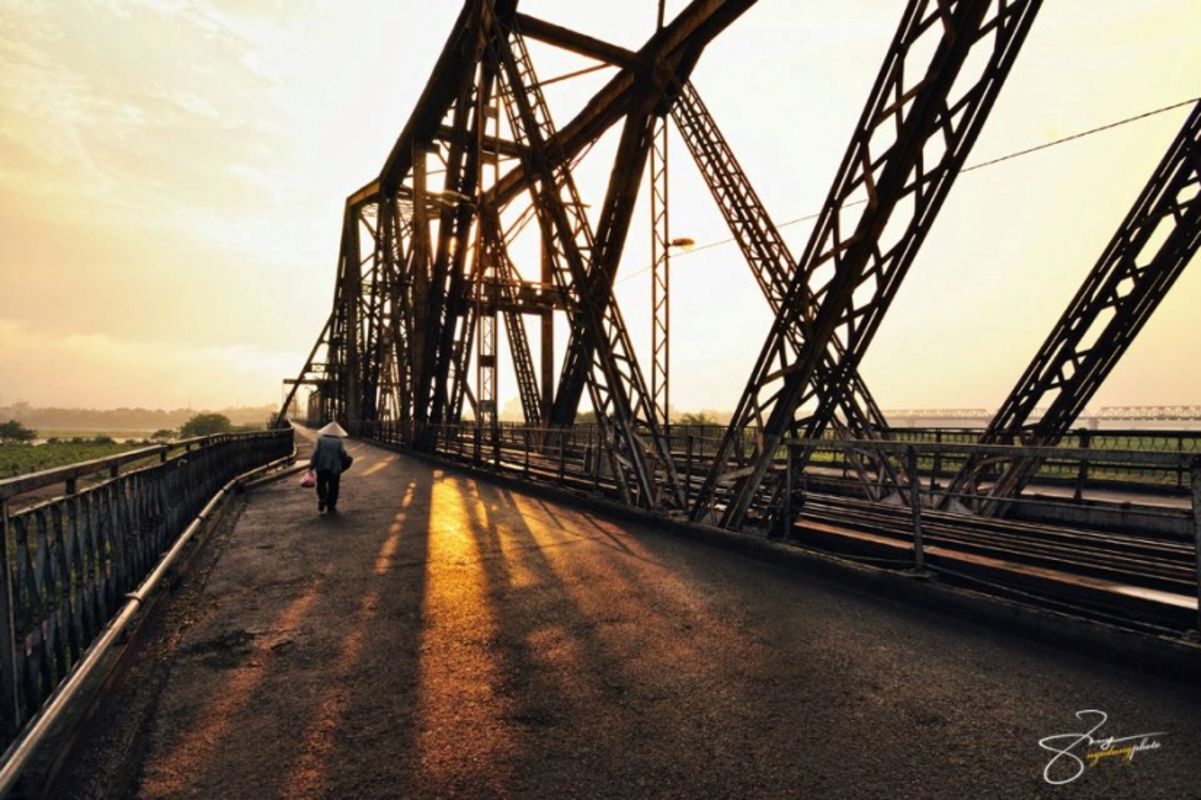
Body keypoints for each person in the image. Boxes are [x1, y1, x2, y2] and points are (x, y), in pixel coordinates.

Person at [310, 421, 351, 513]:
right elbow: (342, 454)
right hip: (334, 467)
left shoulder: (320, 440)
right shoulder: (338, 442)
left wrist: (311, 466)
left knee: (321, 483)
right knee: (333, 486)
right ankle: (331, 505)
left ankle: (322, 498)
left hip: (321, 466)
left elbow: (316, 453)